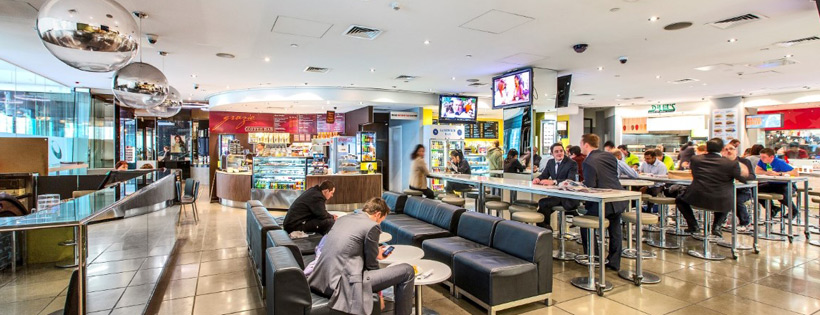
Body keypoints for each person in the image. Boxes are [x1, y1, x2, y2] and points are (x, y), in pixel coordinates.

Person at [308, 198, 415, 315]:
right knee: (407, 271)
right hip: (342, 283)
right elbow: (372, 266)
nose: (379, 224)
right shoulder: (371, 226)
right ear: (378, 214)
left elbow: (349, 249)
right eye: (381, 221)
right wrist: (380, 295)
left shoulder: (343, 219)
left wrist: (375, 253)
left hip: (322, 279)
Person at [675, 138, 747, 236]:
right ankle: (717, 226)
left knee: (680, 199)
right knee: (727, 197)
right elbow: (743, 179)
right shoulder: (730, 163)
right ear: (722, 148)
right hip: (721, 200)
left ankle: (693, 225)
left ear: (707, 148)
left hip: (697, 198)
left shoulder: (696, 159)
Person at [578, 134, 627, 271]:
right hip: (617, 198)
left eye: (581, 144)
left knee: (586, 225)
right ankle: (614, 262)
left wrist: (580, 186)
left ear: (586, 144)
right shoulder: (610, 156)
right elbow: (611, 176)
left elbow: (591, 185)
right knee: (615, 230)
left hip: (601, 202)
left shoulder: (588, 161)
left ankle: (594, 258)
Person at [532, 143, 580, 228]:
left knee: (543, 203)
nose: (559, 153)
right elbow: (544, 175)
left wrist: (554, 181)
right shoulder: (550, 162)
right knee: (543, 206)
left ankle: (545, 229)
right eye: (556, 151)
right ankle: (545, 228)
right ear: (552, 153)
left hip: (567, 196)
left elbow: (570, 180)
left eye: (561, 151)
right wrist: (538, 179)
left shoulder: (572, 163)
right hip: (556, 195)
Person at [718, 143, 755, 232]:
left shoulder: (744, 162)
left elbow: (752, 176)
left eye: (731, 149)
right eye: (726, 149)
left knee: (736, 200)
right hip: (725, 189)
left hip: (743, 190)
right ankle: (720, 222)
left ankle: (745, 222)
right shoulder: (719, 162)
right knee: (721, 198)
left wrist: (740, 178)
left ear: (736, 151)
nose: (729, 151)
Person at [755, 148, 799, 219]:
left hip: (784, 184)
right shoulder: (761, 161)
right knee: (754, 190)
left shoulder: (779, 162)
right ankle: (772, 208)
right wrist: (767, 173)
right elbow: (757, 171)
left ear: (771, 157)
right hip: (772, 183)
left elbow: (795, 173)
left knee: (784, 193)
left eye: (764, 157)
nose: (762, 159)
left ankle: (793, 210)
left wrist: (779, 174)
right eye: (761, 157)